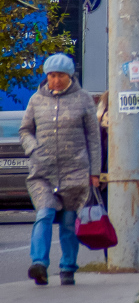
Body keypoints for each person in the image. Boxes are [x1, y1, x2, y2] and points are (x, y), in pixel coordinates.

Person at [20, 54, 100, 287]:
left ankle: (67, 267)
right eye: (52, 76)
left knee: (68, 221)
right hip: (42, 171)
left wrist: (95, 173)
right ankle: (39, 264)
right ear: (46, 76)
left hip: (75, 171)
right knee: (43, 214)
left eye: (60, 76)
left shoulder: (83, 99)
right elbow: (25, 130)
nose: (55, 80)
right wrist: (33, 148)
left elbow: (93, 139)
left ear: (70, 76)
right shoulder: (36, 100)